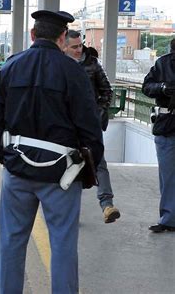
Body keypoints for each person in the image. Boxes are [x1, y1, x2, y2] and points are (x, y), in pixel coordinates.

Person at [0, 10, 104, 293]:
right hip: (61, 173)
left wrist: (8, 159)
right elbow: (90, 129)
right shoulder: (73, 72)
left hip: (18, 169)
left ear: (32, 35)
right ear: (63, 38)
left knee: (11, 241)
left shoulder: (11, 67)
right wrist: (87, 167)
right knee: (62, 243)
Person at [64, 29, 121, 223]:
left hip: (89, 124)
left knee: (99, 162)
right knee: (70, 165)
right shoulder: (58, 65)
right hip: (65, 125)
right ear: (64, 46)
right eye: (74, 47)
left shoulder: (92, 64)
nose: (79, 50)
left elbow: (106, 91)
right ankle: (71, 212)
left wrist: (99, 112)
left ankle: (107, 205)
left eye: (80, 45)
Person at [142, 38, 175, 233]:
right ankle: (169, 219)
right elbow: (147, 87)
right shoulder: (162, 64)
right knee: (168, 176)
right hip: (167, 125)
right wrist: (162, 87)